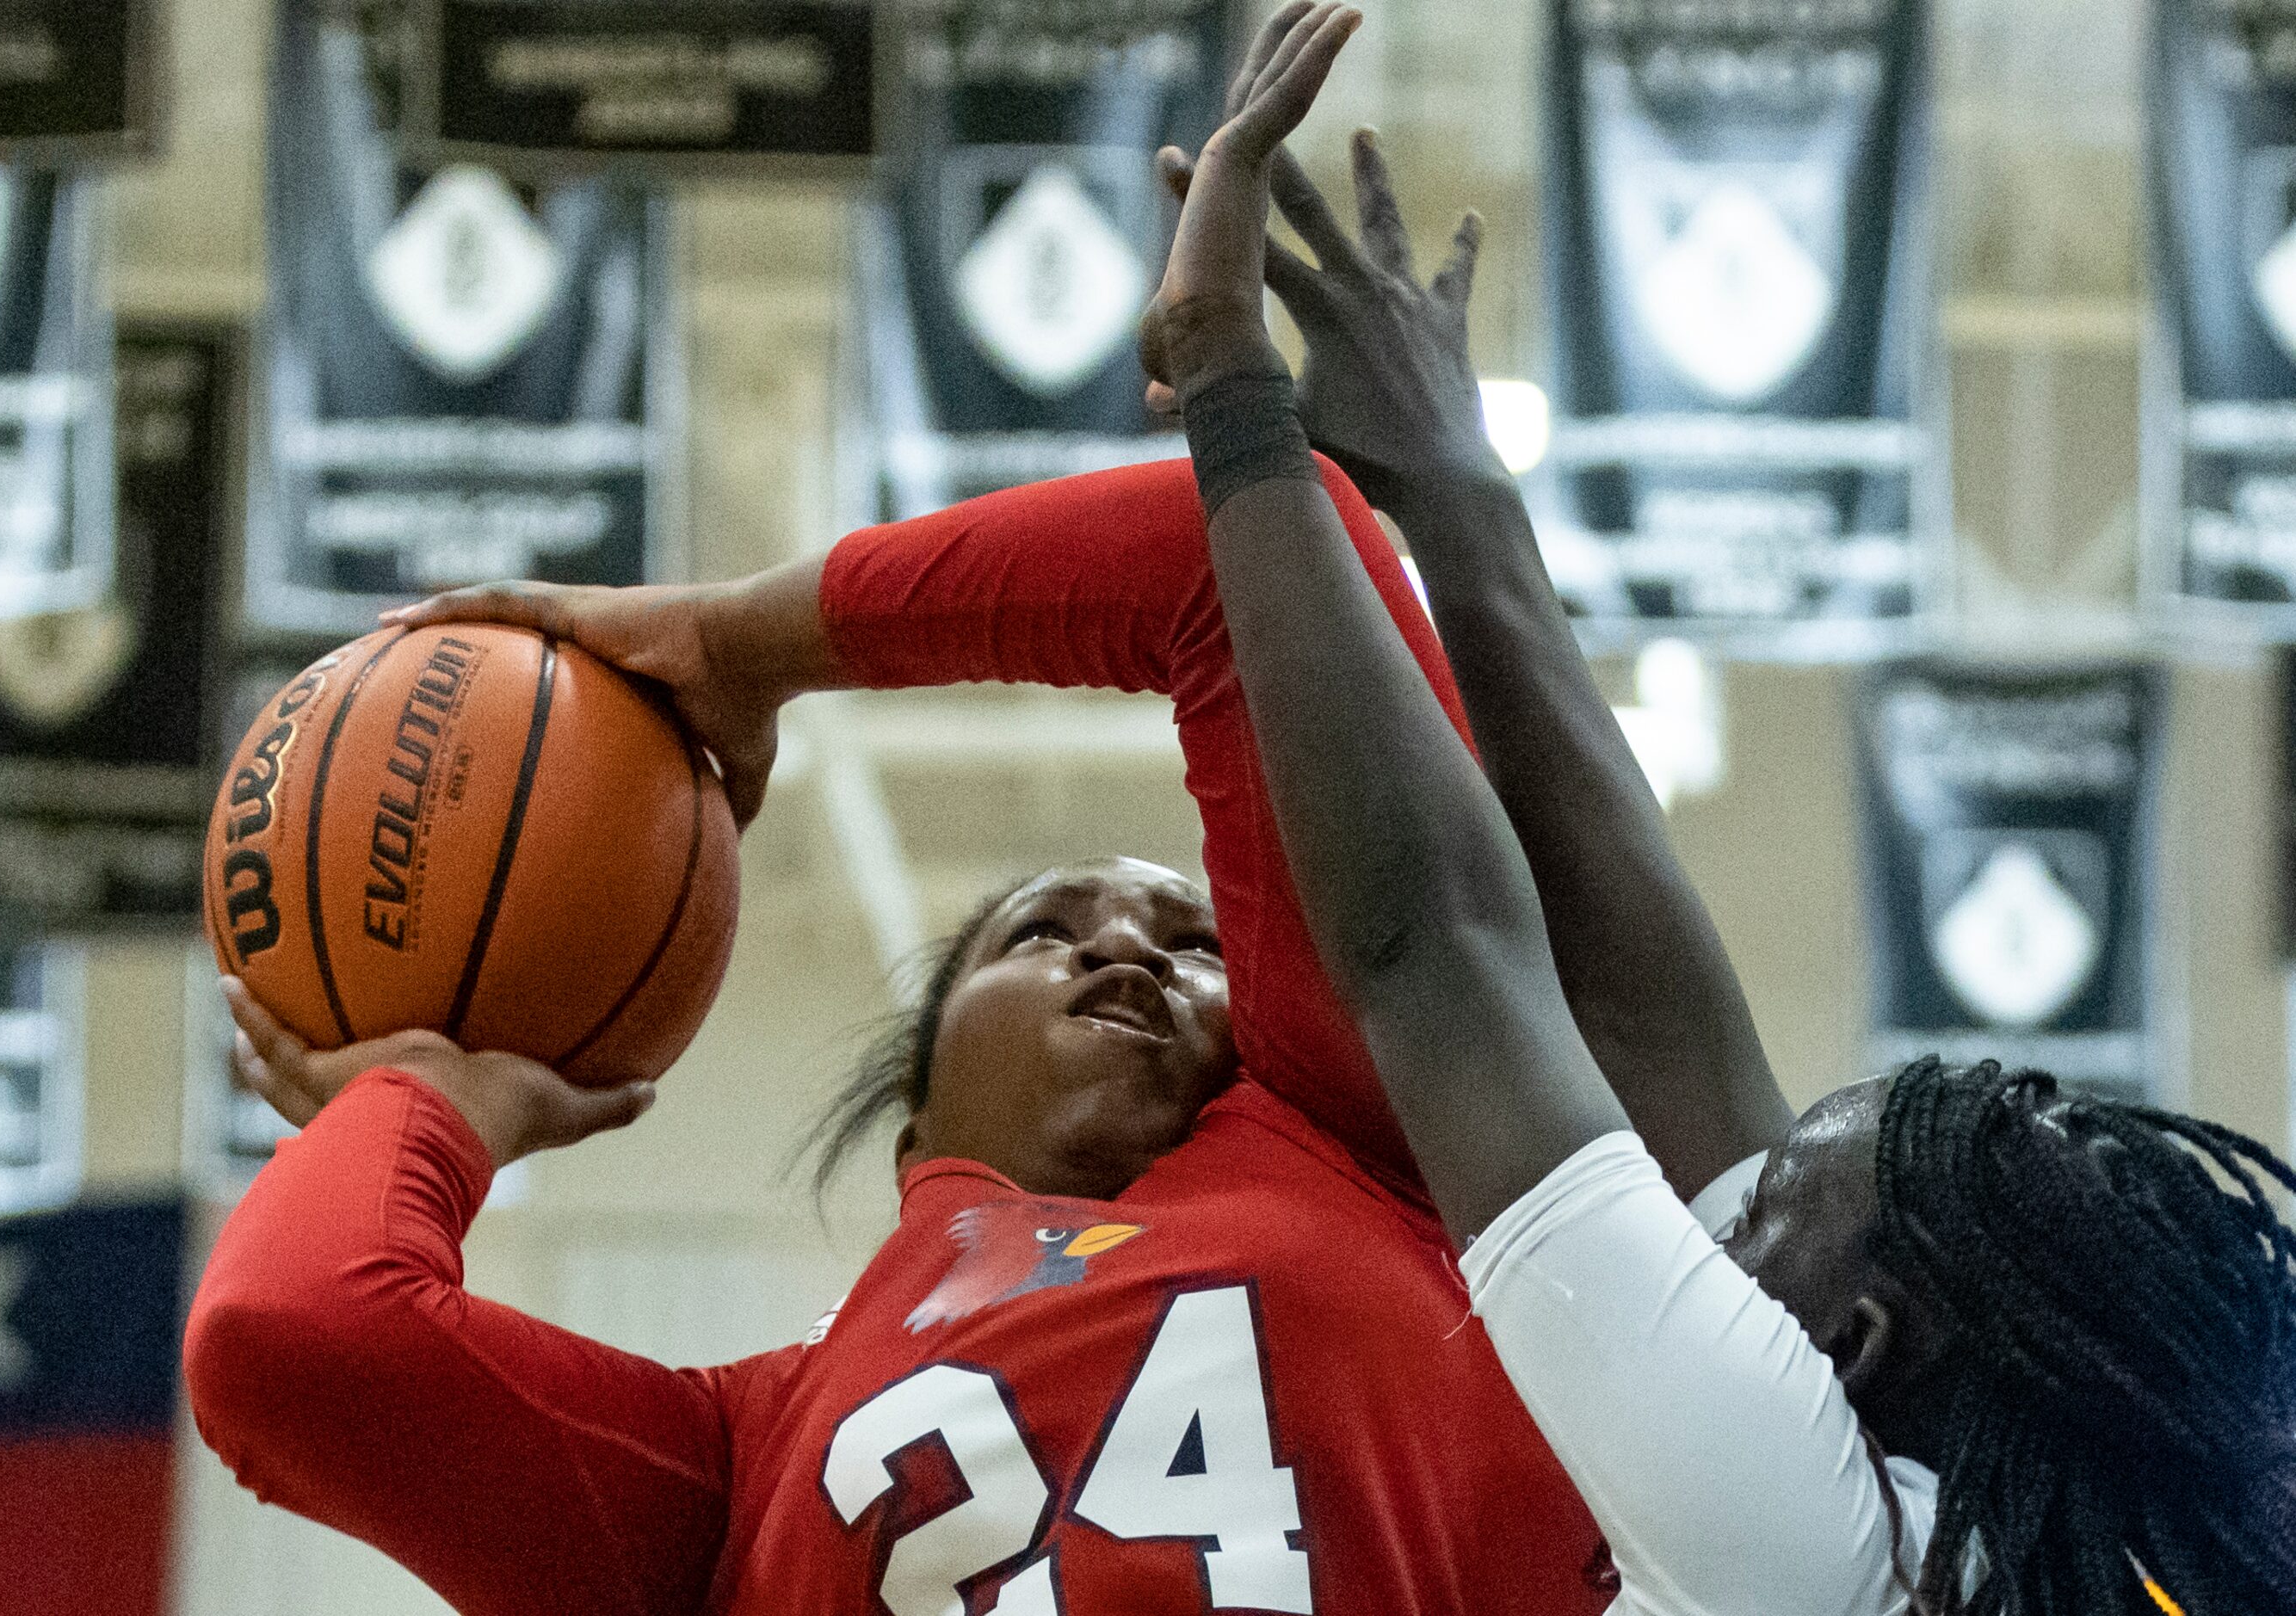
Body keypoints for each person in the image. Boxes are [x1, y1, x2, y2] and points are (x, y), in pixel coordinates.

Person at [185, 11, 1620, 1615]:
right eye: (1041, 930)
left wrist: (746, 639)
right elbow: (292, 1342)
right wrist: (436, 1092)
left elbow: (1253, 561)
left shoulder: (1366, 1139)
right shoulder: (737, 1452)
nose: (1126, 949)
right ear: (919, 1124)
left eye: (1198, 939)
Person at [1141, 34, 2296, 1616]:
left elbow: (1432, 952)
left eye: (1761, 1214)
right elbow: (1650, 1021)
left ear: (1862, 1338)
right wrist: (1460, 506)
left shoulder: (1812, 1543)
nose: (1714, 1199)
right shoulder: (1924, 1528)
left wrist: (1228, 388)